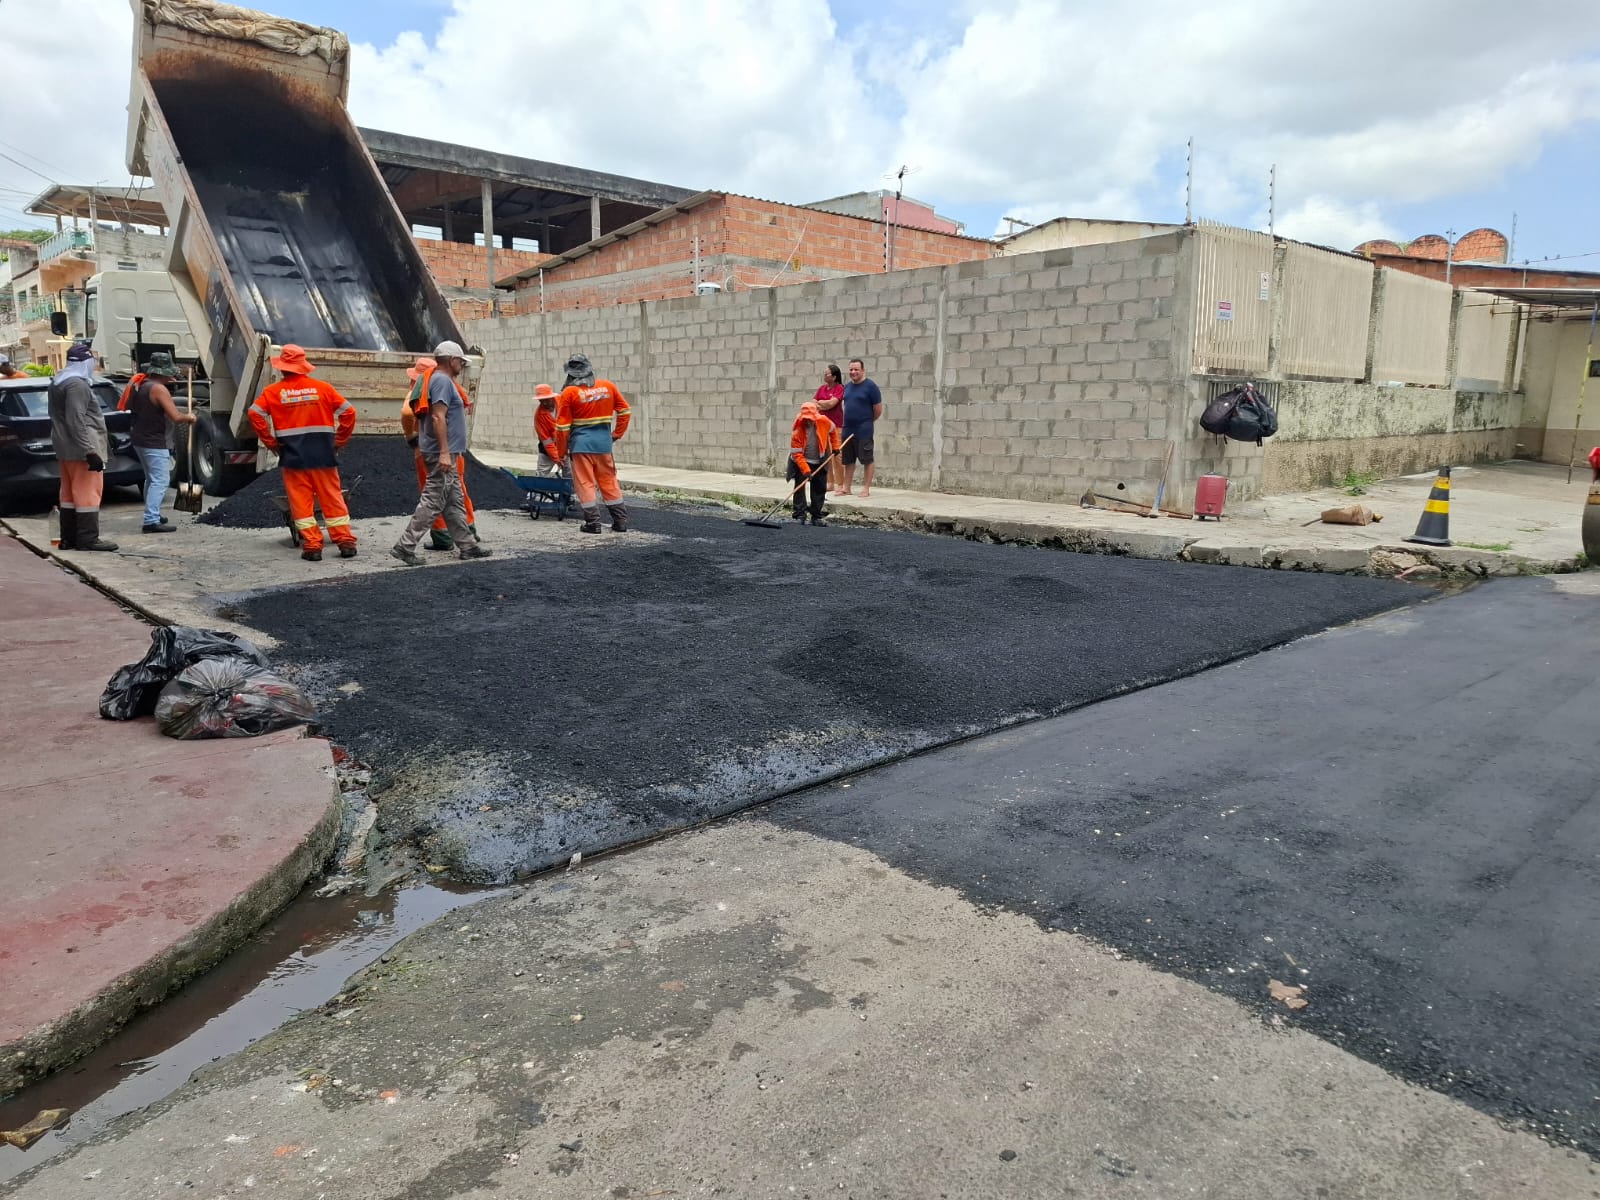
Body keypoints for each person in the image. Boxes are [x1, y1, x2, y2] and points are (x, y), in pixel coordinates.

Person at [247, 344, 358, 562]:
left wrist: (271, 443)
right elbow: (349, 412)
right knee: (333, 498)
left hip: (293, 455)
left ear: (282, 368)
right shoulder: (323, 388)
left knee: (301, 502)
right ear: (303, 366)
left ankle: (313, 546)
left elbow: (254, 414)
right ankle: (345, 541)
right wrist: (339, 441)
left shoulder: (273, 392)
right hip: (323, 454)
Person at [391, 340, 491, 566]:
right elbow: (438, 416)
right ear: (452, 360)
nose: (462, 366)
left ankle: (467, 546)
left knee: (454, 500)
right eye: (461, 362)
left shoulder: (438, 380)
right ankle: (405, 546)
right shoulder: (442, 381)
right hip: (440, 453)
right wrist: (445, 452)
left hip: (445, 452)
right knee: (433, 500)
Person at [402, 355, 478, 551]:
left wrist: (412, 439)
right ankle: (468, 539)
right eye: (460, 362)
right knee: (451, 496)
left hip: (439, 451)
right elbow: (442, 416)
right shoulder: (447, 384)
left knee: (440, 498)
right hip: (447, 452)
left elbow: (409, 413)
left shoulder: (429, 385)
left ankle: (453, 542)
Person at [48, 340, 117, 552]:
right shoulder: (77, 385)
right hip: (82, 448)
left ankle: (69, 538)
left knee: (69, 493)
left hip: (65, 446)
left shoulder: (58, 381)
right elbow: (76, 419)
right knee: (88, 492)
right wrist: (89, 451)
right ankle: (88, 539)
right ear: (85, 362)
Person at [552, 353, 631, 533]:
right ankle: (620, 521)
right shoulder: (608, 386)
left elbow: (562, 428)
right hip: (604, 446)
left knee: (585, 483)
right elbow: (625, 411)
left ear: (570, 373)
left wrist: (561, 452)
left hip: (580, 447)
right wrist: (616, 434)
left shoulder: (569, 393)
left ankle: (593, 523)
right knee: (609, 480)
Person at [126, 351, 197, 533]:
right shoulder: (158, 389)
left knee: (151, 479)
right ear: (163, 372)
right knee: (160, 480)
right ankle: (151, 520)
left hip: (139, 438)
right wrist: (189, 417)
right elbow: (176, 417)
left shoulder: (140, 384)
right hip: (153, 440)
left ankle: (154, 514)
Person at [787, 398, 839, 526]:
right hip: (801, 461)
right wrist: (806, 470)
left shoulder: (824, 421)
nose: (808, 420)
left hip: (819, 459)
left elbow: (833, 431)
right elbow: (797, 454)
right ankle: (799, 514)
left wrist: (835, 446)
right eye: (806, 418)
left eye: (810, 418)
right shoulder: (797, 429)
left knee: (819, 488)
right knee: (799, 487)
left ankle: (816, 516)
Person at [838, 357, 883, 498]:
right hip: (847, 429)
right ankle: (846, 488)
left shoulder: (871, 387)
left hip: (864, 429)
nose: (853, 372)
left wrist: (867, 422)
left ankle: (866, 488)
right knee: (848, 460)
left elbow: (878, 410)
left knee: (866, 459)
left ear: (863, 370)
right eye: (851, 369)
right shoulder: (847, 387)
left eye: (856, 369)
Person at [813, 364, 845, 493]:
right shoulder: (822, 388)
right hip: (822, 426)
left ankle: (840, 484)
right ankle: (830, 482)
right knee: (826, 455)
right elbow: (813, 403)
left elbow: (832, 403)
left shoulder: (839, 388)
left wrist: (821, 403)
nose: (825, 376)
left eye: (827, 374)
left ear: (834, 376)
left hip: (836, 426)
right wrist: (823, 404)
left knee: (837, 455)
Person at [533, 383, 565, 475]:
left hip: (565, 447)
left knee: (569, 474)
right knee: (541, 474)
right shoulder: (539, 416)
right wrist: (557, 458)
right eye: (541, 401)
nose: (544, 403)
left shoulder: (562, 402)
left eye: (546, 400)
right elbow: (547, 442)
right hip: (547, 450)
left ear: (552, 397)